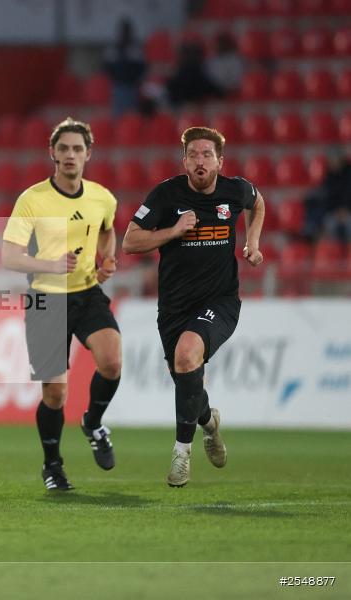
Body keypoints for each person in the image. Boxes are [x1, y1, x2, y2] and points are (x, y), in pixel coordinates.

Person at [122, 126, 265, 487]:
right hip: (173, 307)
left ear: (220, 160)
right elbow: (130, 241)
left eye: (206, 154)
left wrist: (253, 242)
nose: (200, 161)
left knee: (187, 354)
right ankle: (209, 423)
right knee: (185, 378)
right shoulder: (167, 195)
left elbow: (257, 202)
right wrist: (171, 231)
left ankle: (181, 454)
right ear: (184, 160)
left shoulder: (235, 190)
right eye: (193, 155)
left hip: (220, 301)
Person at [1, 117, 122, 491]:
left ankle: (94, 422)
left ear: (88, 154)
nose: (70, 155)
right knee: (55, 393)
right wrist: (49, 264)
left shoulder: (102, 197)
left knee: (112, 361)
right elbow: (9, 256)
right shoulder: (33, 199)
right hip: (45, 298)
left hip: (86, 294)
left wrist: (108, 259)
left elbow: (107, 229)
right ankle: (52, 465)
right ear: (52, 152)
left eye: (77, 149)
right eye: (64, 148)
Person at [102, 18, 147, 117]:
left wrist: (135, 79)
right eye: (123, 31)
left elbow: (142, 67)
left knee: (131, 117)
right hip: (118, 87)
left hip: (132, 87)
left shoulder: (135, 48)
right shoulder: (114, 48)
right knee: (118, 117)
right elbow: (107, 67)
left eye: (127, 31)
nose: (125, 34)